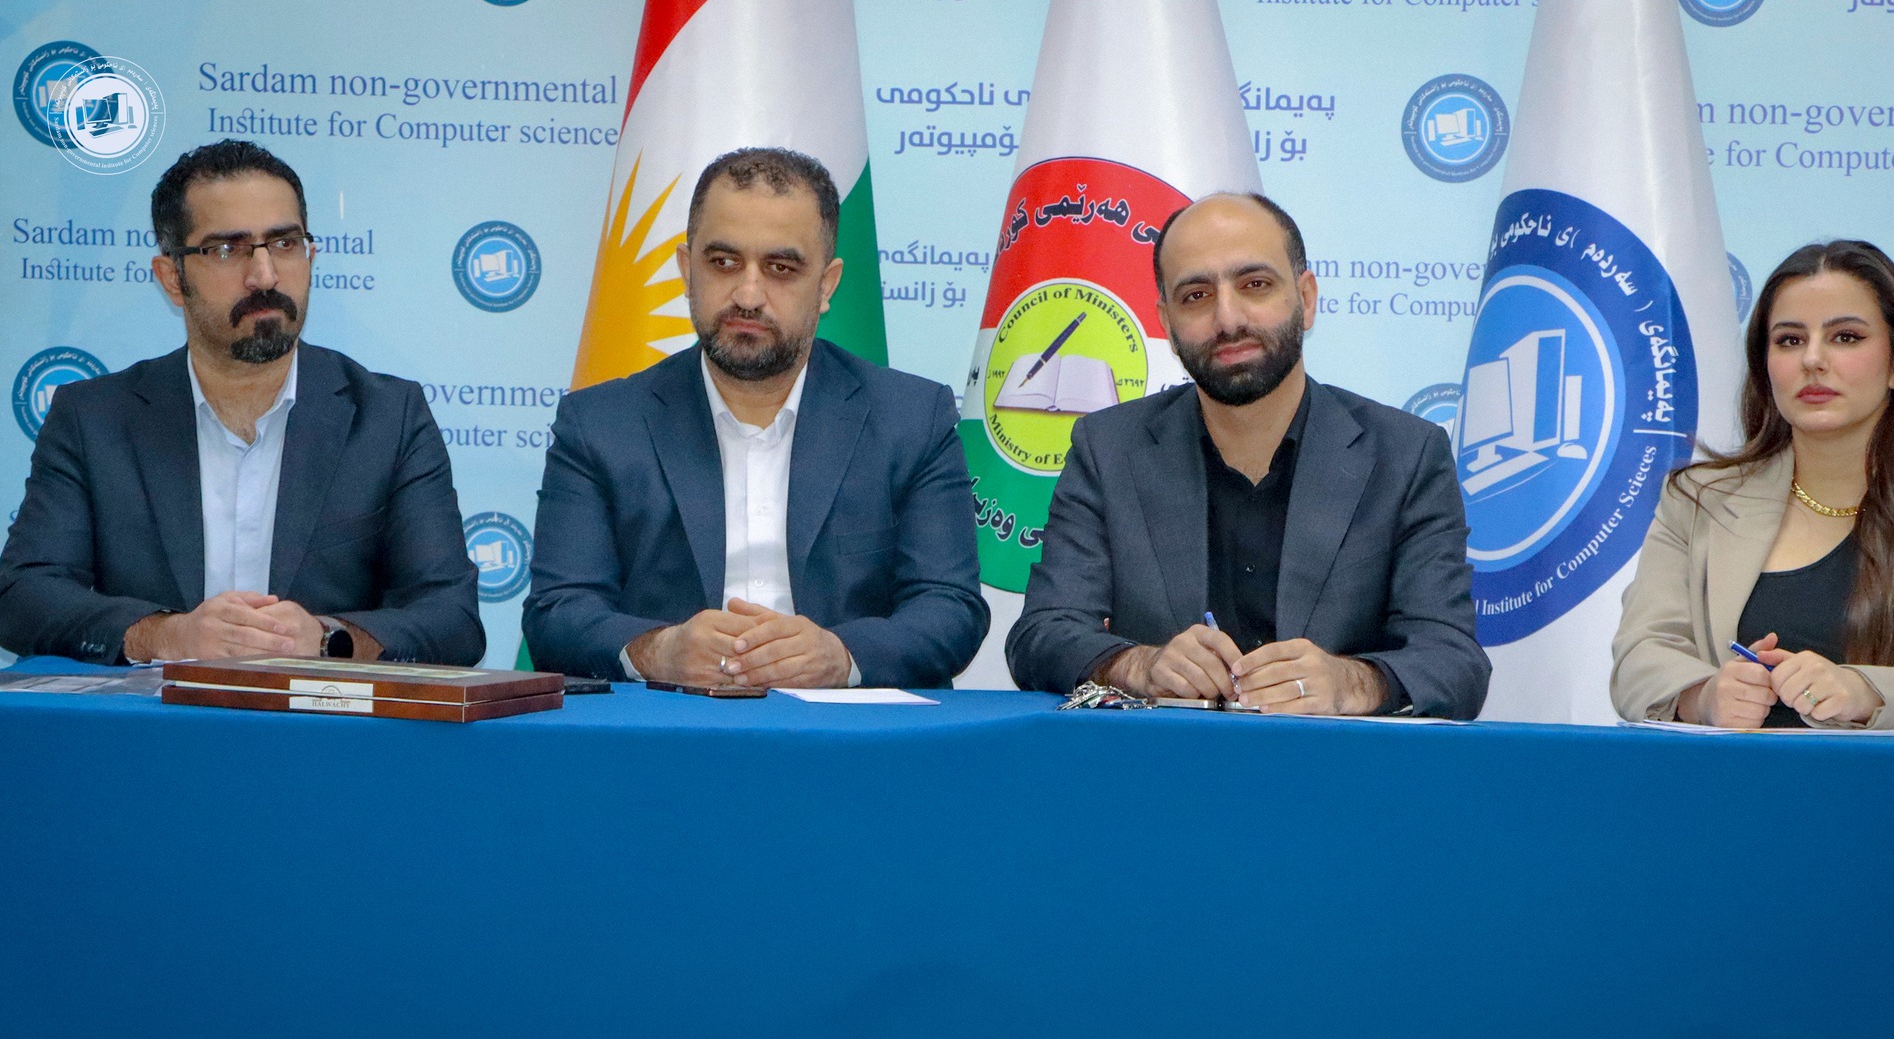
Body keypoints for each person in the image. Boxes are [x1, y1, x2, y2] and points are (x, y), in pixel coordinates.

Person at [1005, 193, 1490, 717]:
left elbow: (1454, 662)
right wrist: (1141, 666)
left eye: (1255, 285)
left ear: (1305, 298)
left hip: (1334, 764)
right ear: (1167, 324)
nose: (1228, 319)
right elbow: (1040, 634)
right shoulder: (1108, 449)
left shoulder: (1406, 455)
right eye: (1196, 296)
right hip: (1163, 762)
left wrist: (1349, 682)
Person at [0, 140, 482, 666]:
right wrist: (165, 637)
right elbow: (23, 597)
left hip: (318, 718)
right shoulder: (94, 418)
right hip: (152, 717)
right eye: (227, 250)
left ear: (310, 256)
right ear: (172, 278)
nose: (265, 276)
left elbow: (451, 618)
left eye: (285, 243)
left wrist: (328, 639)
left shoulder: (388, 417)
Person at [522, 147, 988, 687]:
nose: (748, 294)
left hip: (845, 730)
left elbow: (950, 607)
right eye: (723, 263)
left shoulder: (910, 420)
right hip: (670, 725)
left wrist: (841, 656)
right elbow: (557, 612)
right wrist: (657, 651)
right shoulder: (601, 424)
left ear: (827, 285)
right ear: (686, 270)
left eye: (780, 269)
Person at [1612, 239, 1894, 737]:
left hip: (1886, 785)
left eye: (1845, 337)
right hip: (1723, 781)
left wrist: (1864, 692)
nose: (1812, 359)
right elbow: (1639, 658)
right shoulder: (1698, 500)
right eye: (1789, 340)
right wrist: (1703, 696)